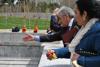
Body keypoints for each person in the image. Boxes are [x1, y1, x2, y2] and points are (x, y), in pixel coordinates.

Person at [67, 0, 100, 67]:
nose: (74, 17)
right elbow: (76, 50)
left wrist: (81, 60)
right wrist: (56, 53)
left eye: (76, 12)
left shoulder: (97, 31)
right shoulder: (85, 29)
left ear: (84, 14)